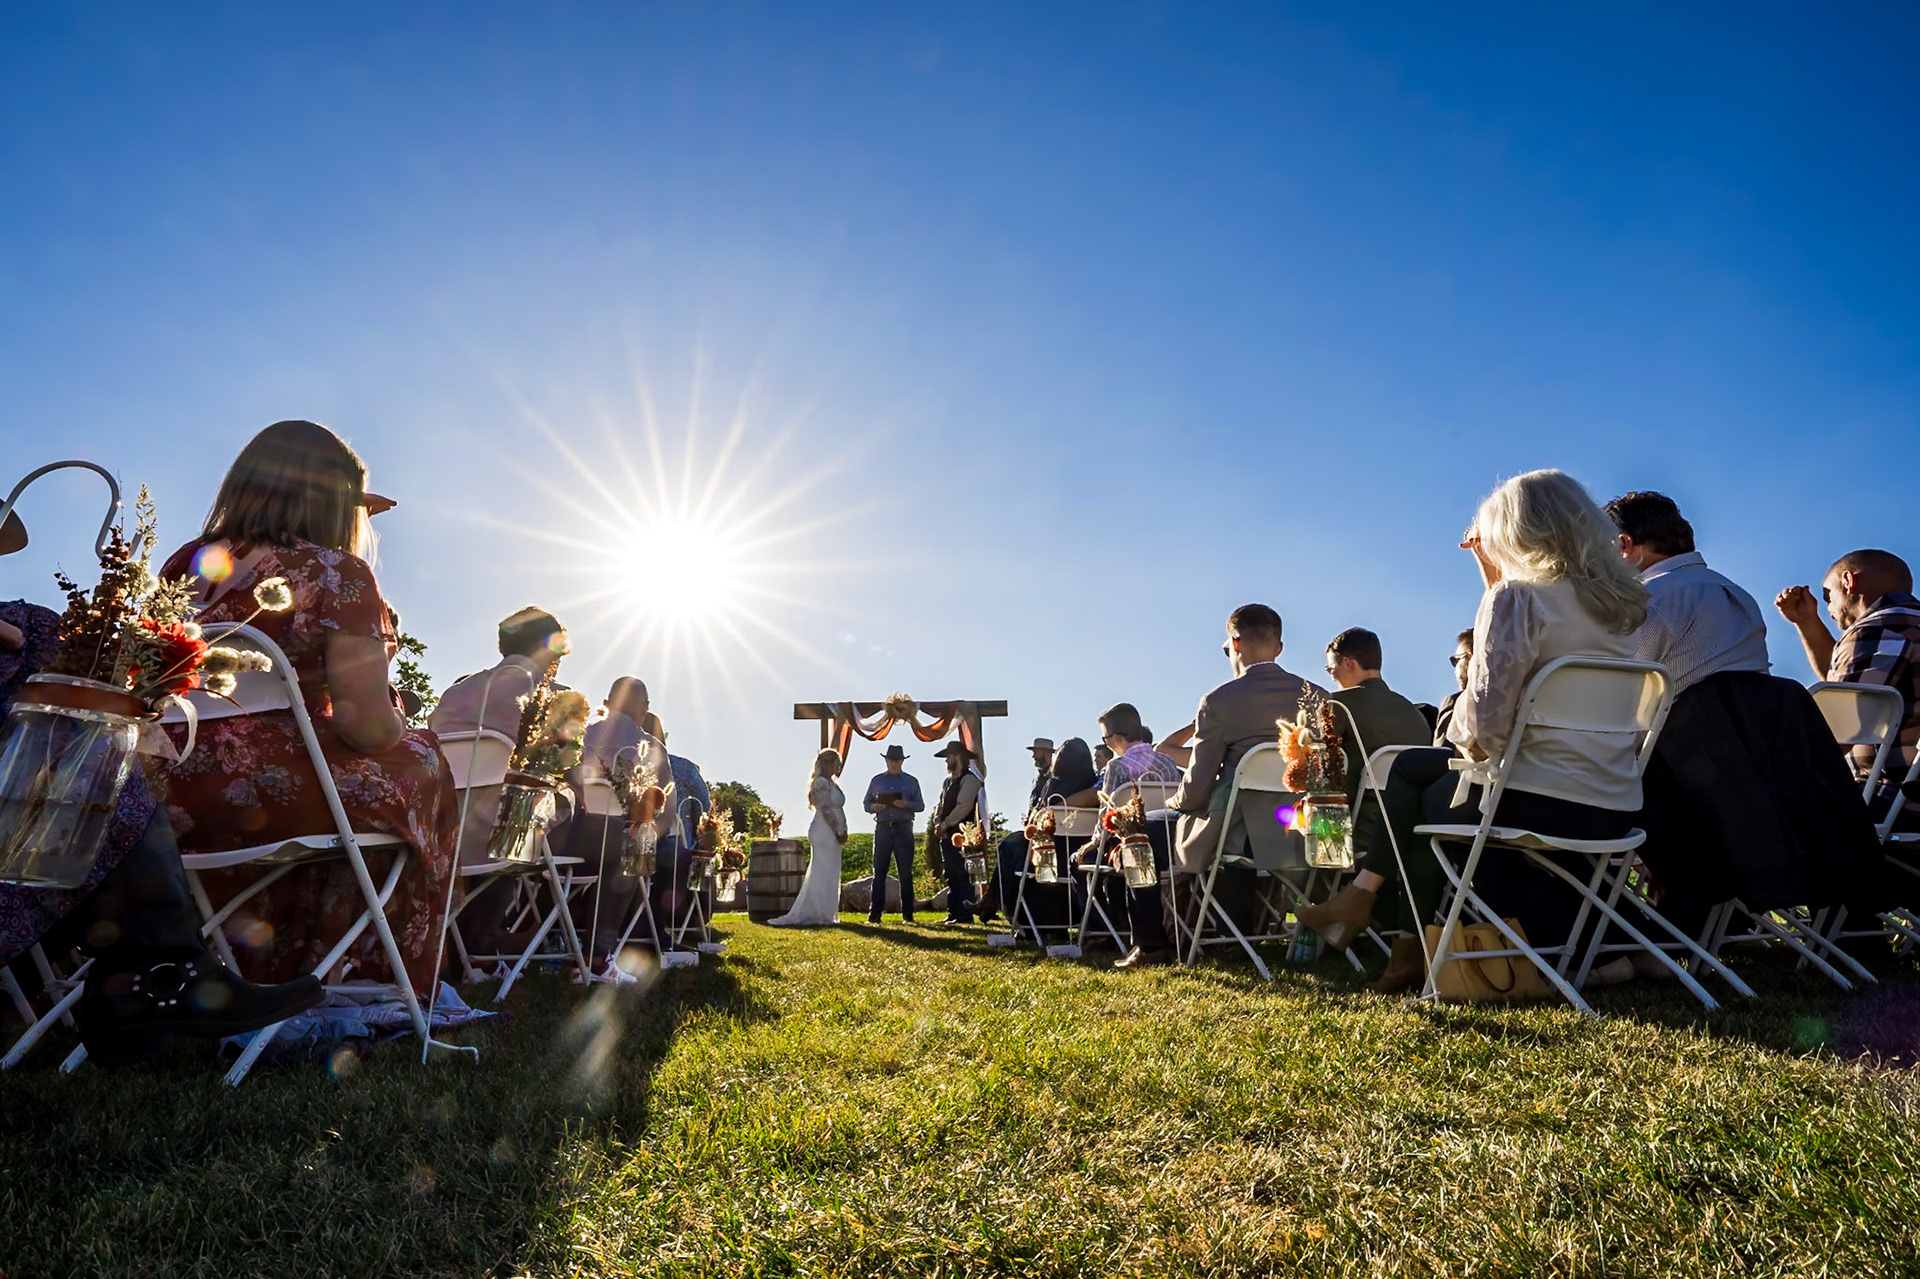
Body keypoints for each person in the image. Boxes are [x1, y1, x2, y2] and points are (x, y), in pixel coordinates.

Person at [0, 510, 321, 1065]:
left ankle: (146, 976)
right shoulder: (327, 572)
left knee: (92, 748)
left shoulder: (32, 622)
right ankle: (153, 977)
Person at [158, 419, 459, 996]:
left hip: (164, 785)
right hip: (265, 792)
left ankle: (260, 964)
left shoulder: (184, 563)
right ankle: (376, 978)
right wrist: (398, 718)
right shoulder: (335, 572)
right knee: (423, 761)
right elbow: (367, 729)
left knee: (351, 785)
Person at [1358, 469, 1655, 995]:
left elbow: (1482, 731)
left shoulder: (1515, 598)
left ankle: (1406, 940)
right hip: (1613, 799)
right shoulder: (1619, 608)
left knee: (1426, 802)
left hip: (1531, 799)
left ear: (1515, 531)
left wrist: (1462, 737)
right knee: (1424, 781)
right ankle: (1629, 944)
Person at [1599, 495, 1884, 942]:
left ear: (1625, 545)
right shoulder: (1736, 595)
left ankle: (1626, 928)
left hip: (1692, 789)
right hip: (1756, 784)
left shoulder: (1650, 601)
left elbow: (1618, 704)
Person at [428, 606, 571, 957]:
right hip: (498, 837)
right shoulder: (545, 696)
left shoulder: (459, 688)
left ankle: (477, 936)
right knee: (571, 808)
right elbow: (547, 771)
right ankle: (508, 935)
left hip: (436, 826)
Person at [1294, 628, 1438, 958]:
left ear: (1347, 663)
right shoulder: (1414, 713)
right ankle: (1370, 928)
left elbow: (1315, 771)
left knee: (1289, 830)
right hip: (1411, 828)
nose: (1331, 676)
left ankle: (1325, 930)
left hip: (1355, 829)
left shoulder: (1337, 706)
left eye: (1331, 668)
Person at [1169, 604, 1322, 870]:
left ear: (1235, 643)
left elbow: (1198, 785)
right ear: (1279, 648)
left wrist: (1174, 801)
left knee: (1161, 825)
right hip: (1306, 830)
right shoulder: (1321, 698)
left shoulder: (1218, 701)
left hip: (1239, 831)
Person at [1777, 549, 1920, 826]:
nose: (1829, 609)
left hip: (1891, 802)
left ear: (1848, 582)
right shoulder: (1905, 625)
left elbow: (1832, 732)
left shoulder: (1879, 628)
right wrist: (1807, 622)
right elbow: (1854, 688)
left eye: (1828, 596)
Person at [553, 678, 672, 969]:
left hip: (561, 845)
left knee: (624, 846)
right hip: (615, 846)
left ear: (606, 705)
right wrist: (646, 832)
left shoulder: (581, 734)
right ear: (645, 709)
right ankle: (597, 956)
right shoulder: (653, 748)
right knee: (634, 848)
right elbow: (667, 815)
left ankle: (548, 935)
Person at [1087, 704, 1183, 969]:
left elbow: (1107, 816)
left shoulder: (1116, 766)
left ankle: (1106, 932)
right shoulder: (1167, 762)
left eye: (1105, 738)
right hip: (1171, 845)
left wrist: (1092, 844)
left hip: (1134, 847)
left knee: (1083, 861)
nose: (1106, 743)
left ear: (1117, 738)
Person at [769, 750, 848, 927]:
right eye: (836, 763)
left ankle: (827, 912)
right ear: (828, 763)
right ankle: (816, 912)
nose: (838, 767)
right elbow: (826, 809)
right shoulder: (820, 783)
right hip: (824, 830)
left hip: (834, 831)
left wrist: (843, 829)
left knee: (831, 870)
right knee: (822, 869)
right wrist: (837, 830)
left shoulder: (832, 784)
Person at [863, 744, 924, 922]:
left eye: (897, 760)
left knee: (905, 872)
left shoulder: (911, 781)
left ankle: (908, 914)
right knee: (879, 872)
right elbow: (866, 803)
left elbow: (920, 805)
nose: (894, 763)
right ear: (886, 761)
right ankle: (875, 914)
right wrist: (874, 807)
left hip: (903, 828)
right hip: (882, 827)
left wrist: (906, 805)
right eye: (891, 760)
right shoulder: (876, 781)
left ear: (902, 762)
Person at [929, 742, 986, 925]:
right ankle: (953, 912)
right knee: (950, 874)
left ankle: (964, 914)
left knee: (962, 873)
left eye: (949, 756)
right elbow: (940, 805)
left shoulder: (970, 780)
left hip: (963, 835)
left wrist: (945, 824)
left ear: (958, 757)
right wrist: (938, 823)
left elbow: (963, 807)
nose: (947, 760)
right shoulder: (948, 782)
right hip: (947, 833)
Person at [1432, 629, 1475, 747]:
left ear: (1470, 658)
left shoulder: (1455, 703)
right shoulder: (1515, 700)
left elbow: (1442, 751)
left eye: (1456, 660)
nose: (1455, 669)